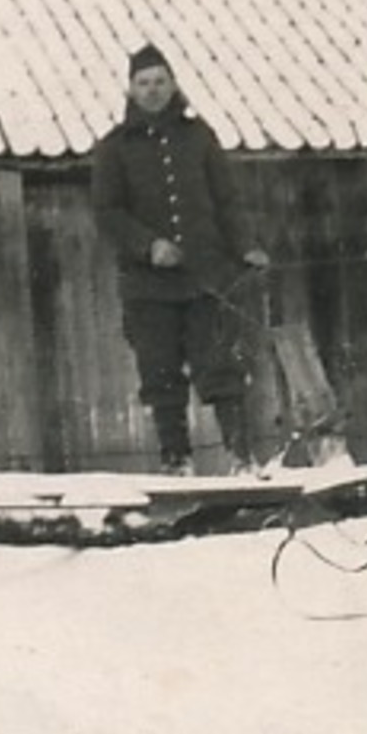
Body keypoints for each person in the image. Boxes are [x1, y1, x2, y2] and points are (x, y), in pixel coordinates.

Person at [91, 43, 269, 475]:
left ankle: (241, 458)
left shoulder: (199, 137)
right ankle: (177, 462)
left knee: (221, 368)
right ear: (130, 90)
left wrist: (244, 243)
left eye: (160, 82)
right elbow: (107, 212)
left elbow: (226, 199)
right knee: (161, 374)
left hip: (205, 280)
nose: (153, 91)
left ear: (174, 85)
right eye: (144, 83)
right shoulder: (113, 148)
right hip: (148, 288)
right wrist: (148, 246)